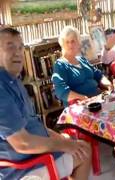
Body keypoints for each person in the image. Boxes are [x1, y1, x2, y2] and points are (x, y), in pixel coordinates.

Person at [0, 28, 92, 180]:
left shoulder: (12, 81)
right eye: (10, 46)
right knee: (84, 151)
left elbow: (35, 125)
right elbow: (22, 143)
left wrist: (63, 140)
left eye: (20, 47)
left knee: (75, 143)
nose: (17, 52)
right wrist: (65, 145)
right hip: (22, 168)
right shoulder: (2, 88)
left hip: (34, 154)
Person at [52, 26, 112, 106]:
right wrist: (83, 98)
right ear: (62, 44)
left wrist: (109, 85)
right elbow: (61, 90)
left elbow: (98, 75)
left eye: (73, 41)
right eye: (67, 42)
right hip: (81, 106)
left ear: (78, 43)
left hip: (99, 99)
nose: (70, 45)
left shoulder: (82, 60)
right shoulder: (60, 65)